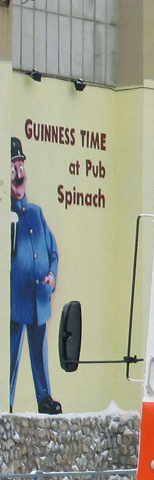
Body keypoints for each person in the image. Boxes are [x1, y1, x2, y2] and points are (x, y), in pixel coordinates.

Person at [10, 137, 60, 413]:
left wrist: (51, 275)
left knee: (39, 355)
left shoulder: (37, 213)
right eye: (13, 166)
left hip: (39, 300)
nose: (19, 173)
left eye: (21, 165)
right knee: (10, 355)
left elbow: (53, 251)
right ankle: (7, 401)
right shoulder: (7, 215)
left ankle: (44, 397)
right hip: (15, 303)